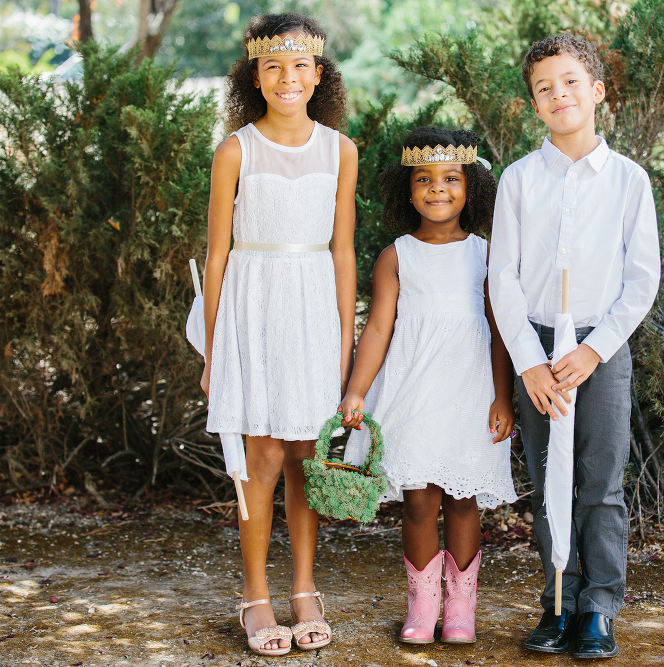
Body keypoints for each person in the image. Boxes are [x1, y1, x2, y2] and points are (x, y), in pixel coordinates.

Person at [488, 33, 661, 659]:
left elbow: (642, 279)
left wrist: (596, 350)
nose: (558, 94)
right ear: (533, 104)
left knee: (600, 482)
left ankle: (599, 608)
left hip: (599, 345)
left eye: (569, 82)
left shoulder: (628, 180)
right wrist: (528, 363)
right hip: (536, 343)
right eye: (543, 88)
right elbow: (501, 277)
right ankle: (558, 599)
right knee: (546, 477)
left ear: (597, 91)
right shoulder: (518, 180)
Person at [200, 13, 357, 656]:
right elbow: (216, 256)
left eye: (300, 67)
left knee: (305, 456)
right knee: (260, 458)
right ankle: (255, 595)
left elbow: (343, 254)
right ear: (255, 76)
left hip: (314, 308)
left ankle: (304, 589)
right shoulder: (237, 149)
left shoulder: (339, 149)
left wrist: (345, 346)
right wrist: (214, 349)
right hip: (254, 306)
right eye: (273, 67)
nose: (287, 78)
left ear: (318, 76)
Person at [339, 126, 517, 645]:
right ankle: (422, 604)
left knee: (463, 500)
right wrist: (356, 391)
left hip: (470, 393)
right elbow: (376, 328)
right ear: (407, 188)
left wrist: (503, 396)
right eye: (424, 179)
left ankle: (460, 609)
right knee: (418, 499)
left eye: (450, 179)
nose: (437, 189)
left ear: (472, 187)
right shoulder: (397, 256)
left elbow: (500, 333)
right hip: (412, 391)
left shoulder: (486, 256)